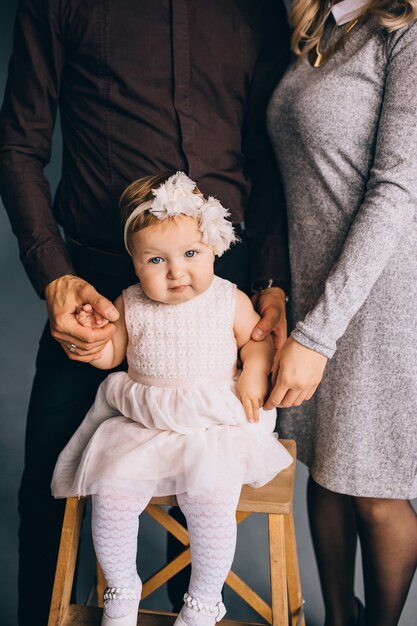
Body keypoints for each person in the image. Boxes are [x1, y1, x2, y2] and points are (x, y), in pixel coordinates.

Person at [0, 2, 291, 624]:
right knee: (54, 482)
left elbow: (268, 159)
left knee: (205, 493)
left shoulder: (258, 9)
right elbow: (19, 147)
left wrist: (268, 284)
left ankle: (193, 608)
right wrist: (54, 277)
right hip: (95, 286)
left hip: (222, 278)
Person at [51, 171, 293, 626]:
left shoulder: (228, 299)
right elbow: (113, 354)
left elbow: (256, 341)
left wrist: (255, 372)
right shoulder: (129, 302)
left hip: (210, 425)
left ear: (213, 247)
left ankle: (203, 601)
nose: (177, 271)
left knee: (209, 501)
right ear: (134, 261)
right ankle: (121, 590)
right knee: (113, 497)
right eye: (156, 261)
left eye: (190, 254)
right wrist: (93, 344)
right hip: (146, 421)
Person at [266, 1, 417, 625]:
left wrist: (319, 333)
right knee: (327, 471)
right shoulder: (320, 30)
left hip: (379, 296)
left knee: (376, 489)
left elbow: (397, 187)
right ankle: (337, 619)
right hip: (314, 288)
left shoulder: (403, 32)